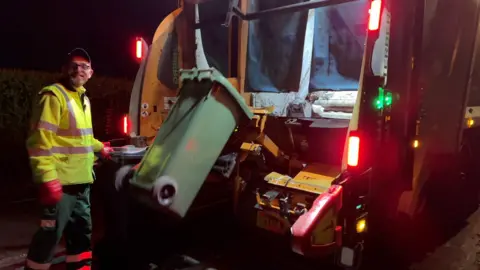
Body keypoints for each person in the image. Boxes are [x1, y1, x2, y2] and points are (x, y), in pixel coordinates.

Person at [23, 48, 113, 270]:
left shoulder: (83, 99)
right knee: (49, 238)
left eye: (84, 66)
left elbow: (83, 138)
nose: (79, 70)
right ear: (64, 69)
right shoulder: (53, 96)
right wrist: (47, 178)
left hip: (82, 183)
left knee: (81, 237)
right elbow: (39, 141)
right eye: (74, 65)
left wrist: (101, 148)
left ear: (91, 73)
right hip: (60, 185)